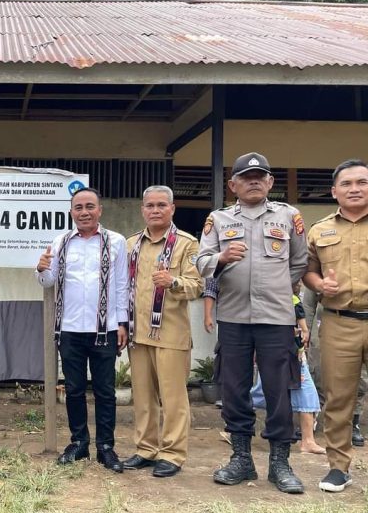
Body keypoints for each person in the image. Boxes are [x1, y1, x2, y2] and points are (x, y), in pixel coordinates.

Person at [196, 152, 307, 494]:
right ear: (233, 185)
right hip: (233, 317)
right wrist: (222, 258)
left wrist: (272, 286)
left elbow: (299, 262)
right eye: (246, 176)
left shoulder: (289, 216)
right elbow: (200, 261)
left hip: (275, 318)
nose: (254, 180)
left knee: (279, 391)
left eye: (261, 175)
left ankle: (280, 463)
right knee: (233, 390)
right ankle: (242, 459)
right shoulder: (218, 219)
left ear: (271, 182)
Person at [36, 187, 128, 472]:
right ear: (71, 212)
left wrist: (123, 322)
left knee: (105, 390)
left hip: (105, 328)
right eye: (79, 207)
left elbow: (122, 283)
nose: (84, 212)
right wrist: (40, 269)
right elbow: (48, 282)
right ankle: (78, 443)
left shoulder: (116, 241)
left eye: (90, 206)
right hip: (70, 328)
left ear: (100, 210)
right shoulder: (61, 241)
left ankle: (106, 447)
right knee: (74, 390)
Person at [123, 186, 203, 477]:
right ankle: (146, 449)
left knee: (173, 398)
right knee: (142, 397)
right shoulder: (132, 244)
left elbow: (199, 286)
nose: (155, 210)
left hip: (171, 333)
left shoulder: (186, 244)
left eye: (161, 205)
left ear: (172, 208)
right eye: (150, 206)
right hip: (138, 332)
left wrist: (174, 282)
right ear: (143, 209)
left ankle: (172, 453)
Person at [303, 158, 368, 492]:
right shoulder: (321, 229)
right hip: (339, 323)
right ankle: (338, 467)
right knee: (338, 398)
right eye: (347, 184)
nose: (354, 189)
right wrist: (319, 285)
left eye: (361, 182)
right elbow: (308, 270)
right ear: (334, 191)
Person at [250, 288, 325, 455]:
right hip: (274, 351)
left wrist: (303, 332)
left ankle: (308, 440)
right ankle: (237, 430)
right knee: (264, 392)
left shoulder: (292, 298)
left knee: (306, 392)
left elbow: (301, 322)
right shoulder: (267, 296)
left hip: (293, 353)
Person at [300, 286, 367, 447]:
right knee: (321, 372)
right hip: (331, 320)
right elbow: (309, 301)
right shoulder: (327, 262)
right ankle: (311, 422)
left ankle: (354, 422)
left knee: (361, 380)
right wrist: (306, 329)